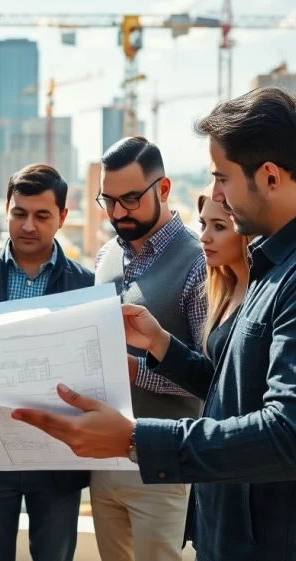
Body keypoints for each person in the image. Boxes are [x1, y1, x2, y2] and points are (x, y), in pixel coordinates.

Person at [12, 87, 296, 561]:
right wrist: (164, 346)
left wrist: (134, 439)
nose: (216, 196)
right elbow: (237, 391)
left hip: (272, 544)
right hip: (237, 533)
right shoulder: (283, 257)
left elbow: (290, 438)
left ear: (270, 176)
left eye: (222, 177)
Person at [0, 164, 93, 561]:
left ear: (63, 218)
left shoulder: (86, 285)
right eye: (19, 213)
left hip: (58, 455)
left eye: (42, 215)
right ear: (7, 210)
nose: (28, 225)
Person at [90, 136, 206, 561]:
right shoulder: (104, 255)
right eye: (109, 201)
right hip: (104, 464)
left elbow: (208, 378)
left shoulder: (198, 262)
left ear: (163, 188)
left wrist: (137, 371)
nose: (118, 213)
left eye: (131, 199)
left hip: (163, 466)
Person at [195, 188, 250, 360]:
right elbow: (212, 377)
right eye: (203, 224)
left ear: (246, 231)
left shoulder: (265, 291)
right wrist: (158, 340)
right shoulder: (225, 289)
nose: (204, 237)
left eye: (219, 226)